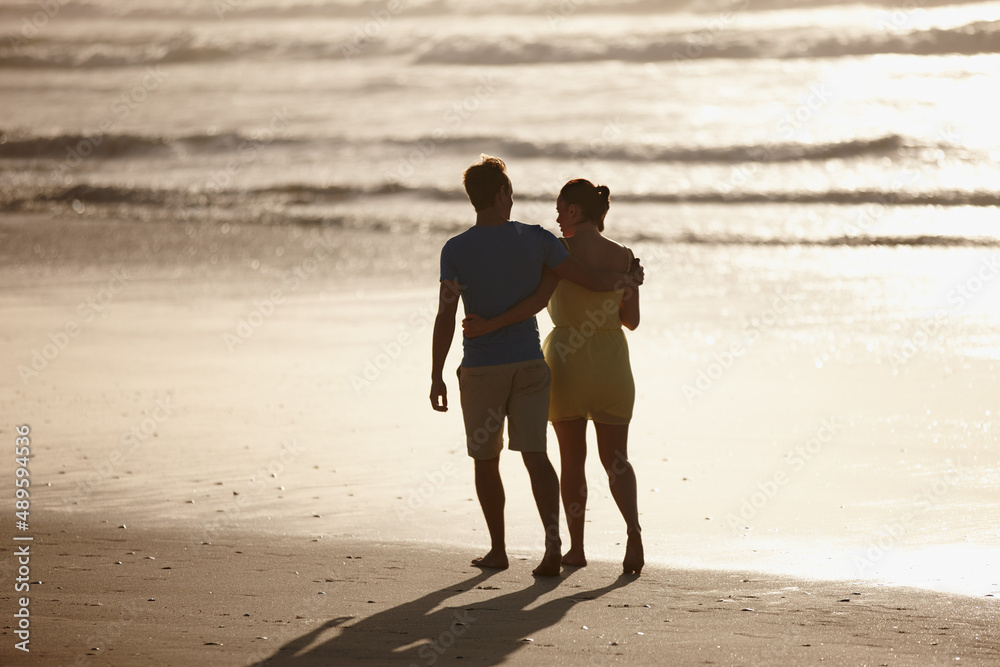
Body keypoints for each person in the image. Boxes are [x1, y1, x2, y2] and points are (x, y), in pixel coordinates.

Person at [430, 157, 643, 577]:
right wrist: (627, 281)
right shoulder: (580, 249)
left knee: (534, 459)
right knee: (580, 457)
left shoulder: (478, 250)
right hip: (573, 363)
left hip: (529, 364)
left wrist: (442, 365)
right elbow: (612, 303)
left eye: (563, 208)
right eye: (509, 192)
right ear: (499, 195)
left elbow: (455, 310)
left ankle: (540, 549)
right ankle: (599, 540)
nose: (555, 215)